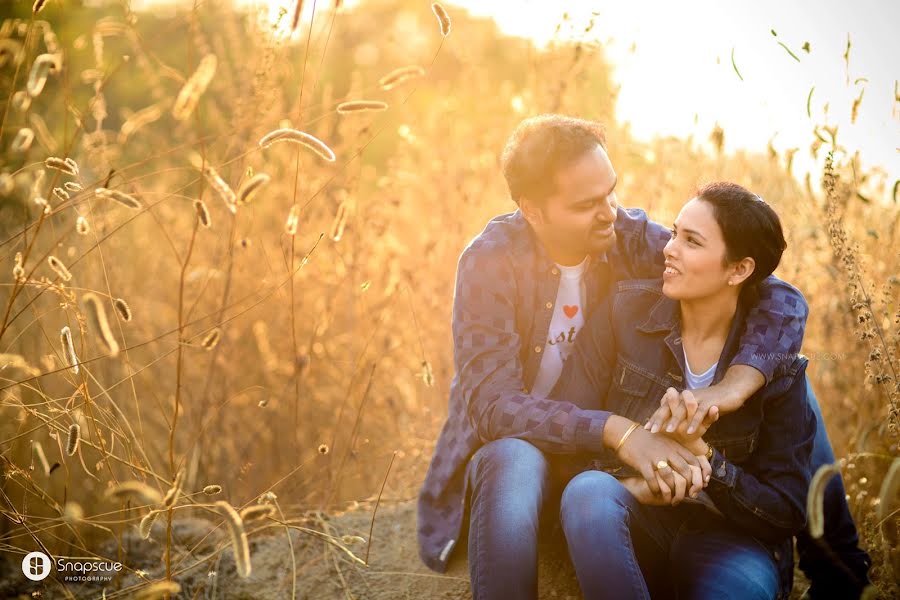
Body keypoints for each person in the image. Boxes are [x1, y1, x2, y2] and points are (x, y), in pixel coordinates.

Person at [416, 115, 869, 599]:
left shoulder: (631, 238)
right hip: (537, 453)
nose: (609, 211)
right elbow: (492, 407)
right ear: (532, 209)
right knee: (512, 456)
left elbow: (775, 295)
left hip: (605, 462)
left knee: (784, 376)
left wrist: (731, 389)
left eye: (610, 192)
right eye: (586, 204)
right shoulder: (491, 261)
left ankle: (837, 564)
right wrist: (619, 431)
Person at [552, 182, 810, 599]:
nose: (668, 249)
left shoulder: (776, 368)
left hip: (730, 541)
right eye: (674, 233)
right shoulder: (623, 314)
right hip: (636, 521)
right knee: (588, 493)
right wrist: (637, 483)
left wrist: (707, 462)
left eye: (691, 241)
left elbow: (785, 513)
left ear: (739, 270)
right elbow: (564, 432)